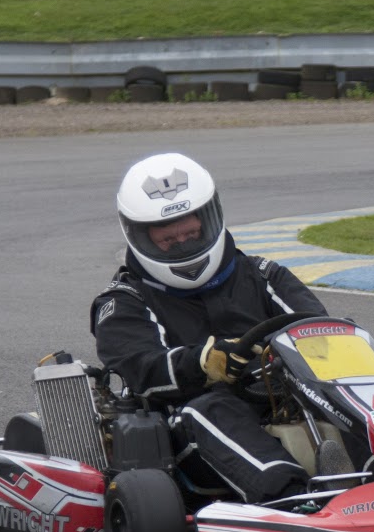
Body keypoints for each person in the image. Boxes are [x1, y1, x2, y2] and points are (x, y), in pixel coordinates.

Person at [89, 151, 342, 504]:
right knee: (209, 409)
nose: (185, 244)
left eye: (191, 233)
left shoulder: (264, 275)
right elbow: (141, 367)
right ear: (139, 235)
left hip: (285, 399)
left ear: (209, 219)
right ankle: (293, 498)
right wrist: (204, 363)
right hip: (188, 439)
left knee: (351, 389)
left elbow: (321, 333)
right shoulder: (125, 300)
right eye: (170, 240)